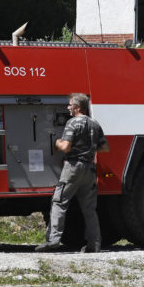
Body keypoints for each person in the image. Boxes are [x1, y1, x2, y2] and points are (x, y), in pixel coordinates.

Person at [36, 93, 109, 253]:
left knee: (59, 202)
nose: (68, 108)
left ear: (77, 107)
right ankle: (94, 244)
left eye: (70, 105)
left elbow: (66, 147)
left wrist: (57, 142)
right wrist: (88, 149)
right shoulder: (94, 124)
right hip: (90, 169)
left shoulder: (72, 123)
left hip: (73, 168)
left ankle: (53, 240)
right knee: (89, 209)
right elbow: (105, 147)